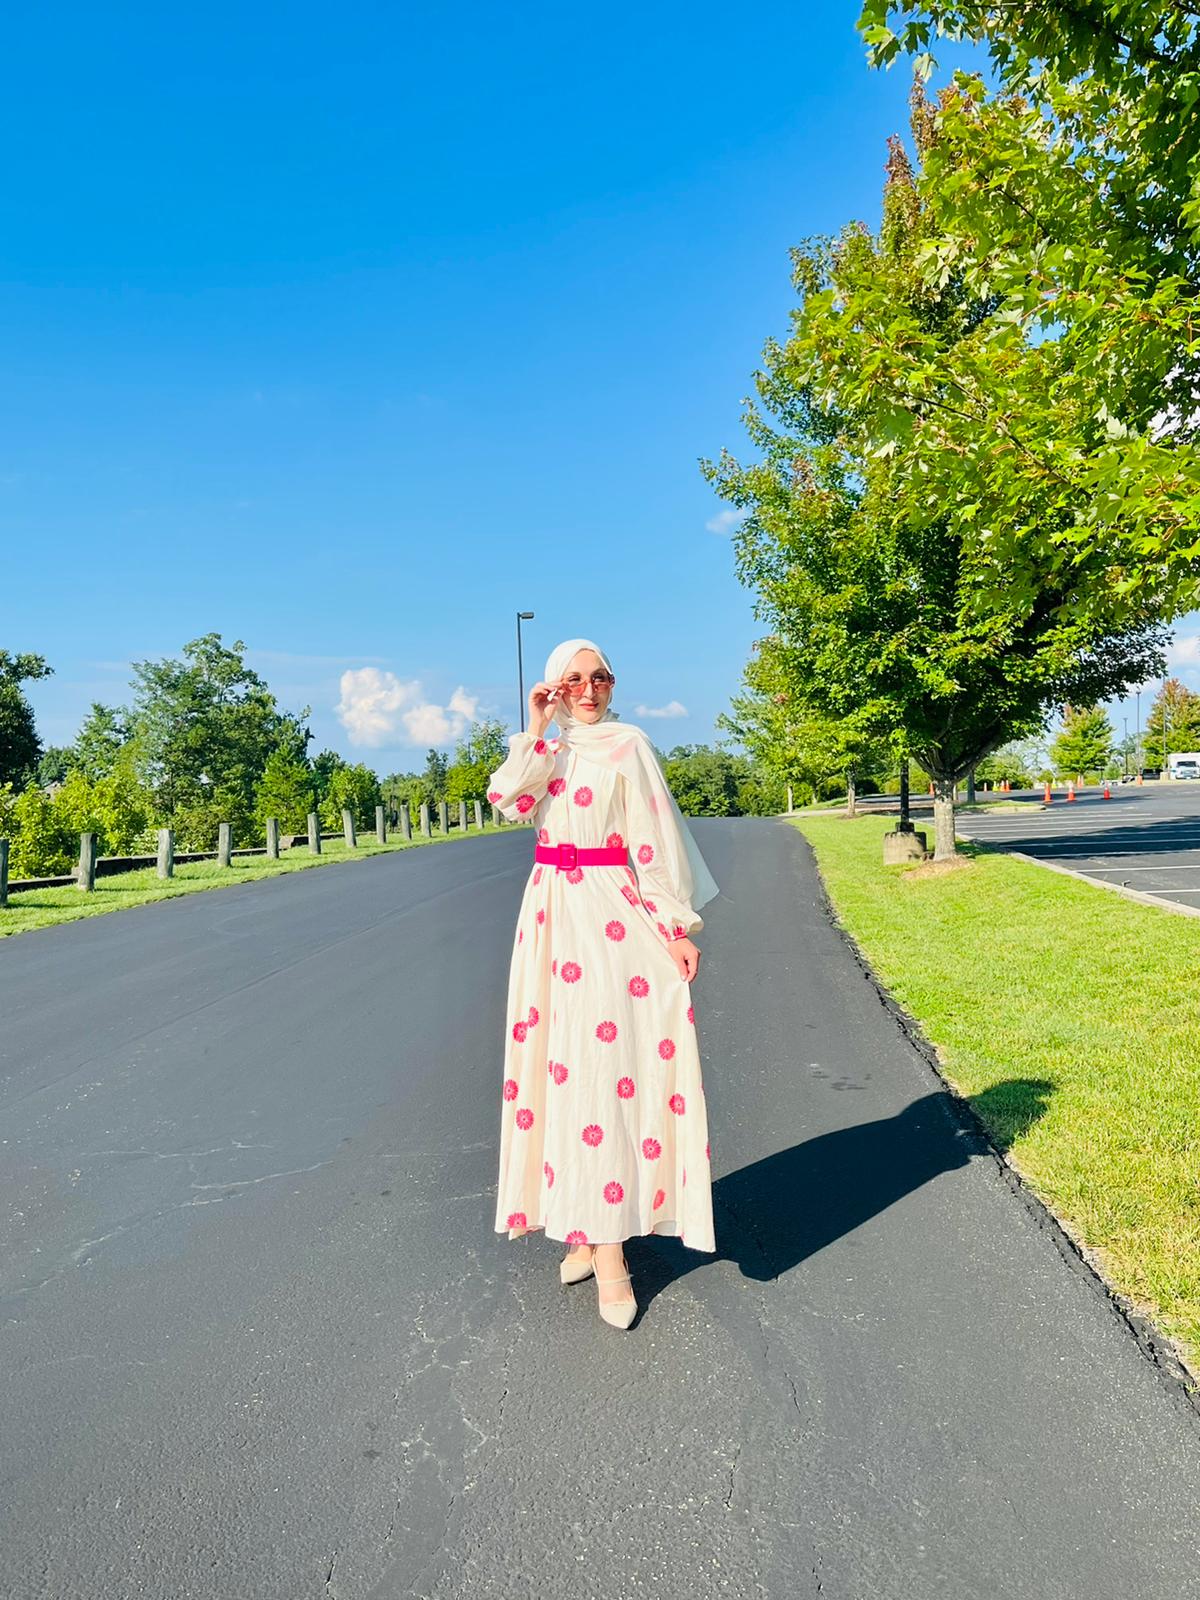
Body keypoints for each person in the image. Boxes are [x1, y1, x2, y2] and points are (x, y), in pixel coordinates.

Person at [488, 637, 720, 1329]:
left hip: (613, 918)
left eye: (600, 678)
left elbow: (652, 839)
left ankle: (612, 1253)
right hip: (551, 920)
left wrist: (675, 926)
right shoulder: (545, 750)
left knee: (603, 1070)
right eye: (572, 680)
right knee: (561, 1075)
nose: (587, 690)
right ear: (555, 689)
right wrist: (534, 730)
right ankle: (585, 1230)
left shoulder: (629, 746)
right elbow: (507, 801)